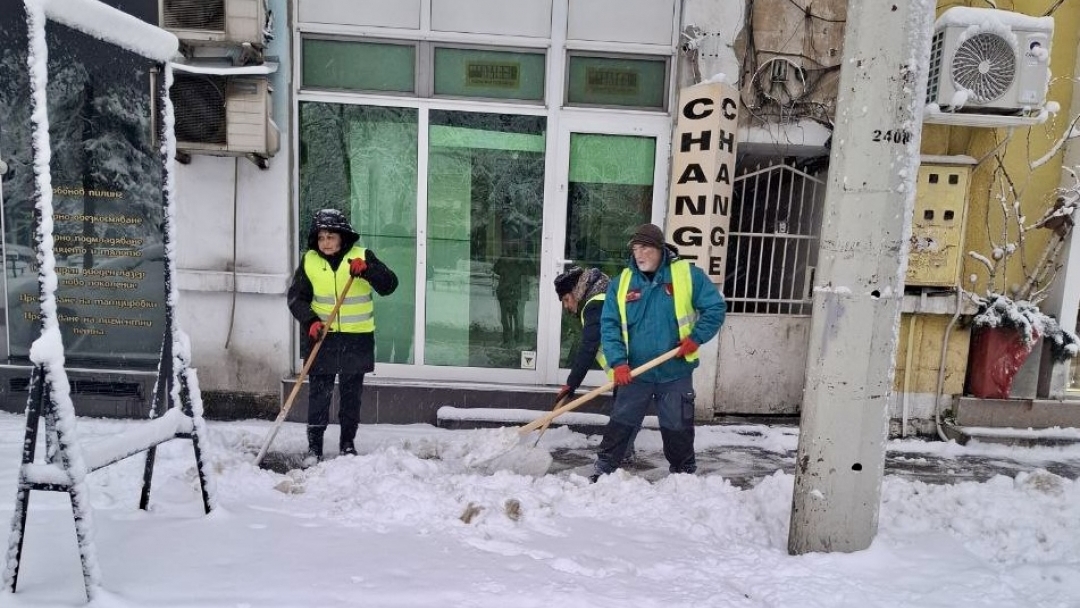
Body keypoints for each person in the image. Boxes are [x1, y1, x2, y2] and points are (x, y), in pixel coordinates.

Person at [593, 223, 726, 481]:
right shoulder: (622, 284)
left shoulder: (687, 275)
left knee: (678, 427)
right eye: (635, 248)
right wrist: (618, 363)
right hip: (635, 372)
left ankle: (684, 475)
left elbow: (715, 308)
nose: (639, 254)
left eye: (644, 248)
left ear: (659, 248)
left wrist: (696, 338)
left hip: (674, 371)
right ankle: (604, 469)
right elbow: (609, 326)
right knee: (621, 423)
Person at [287, 209, 398, 467]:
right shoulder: (310, 261)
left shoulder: (361, 256)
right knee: (319, 396)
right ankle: (314, 448)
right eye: (321, 237)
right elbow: (296, 299)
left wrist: (368, 271)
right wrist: (311, 322)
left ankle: (347, 444)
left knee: (351, 397)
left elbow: (390, 284)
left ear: (342, 238)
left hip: (356, 339)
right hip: (323, 338)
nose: (325, 242)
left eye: (331, 236)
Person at [554, 265, 641, 463]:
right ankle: (622, 454)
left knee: (623, 415)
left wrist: (572, 383)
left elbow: (589, 347)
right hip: (628, 366)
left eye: (566, 299)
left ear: (576, 291)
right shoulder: (602, 297)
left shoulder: (595, 305)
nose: (567, 307)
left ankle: (618, 458)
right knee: (626, 413)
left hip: (628, 366)